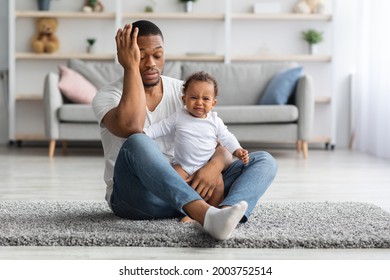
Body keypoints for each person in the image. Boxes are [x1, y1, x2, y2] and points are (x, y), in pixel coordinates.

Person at [92, 20, 277, 240]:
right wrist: (130, 67)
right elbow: (132, 126)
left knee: (264, 161)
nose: (151, 63)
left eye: (157, 55)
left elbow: (218, 142)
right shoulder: (108, 96)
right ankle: (205, 213)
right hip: (140, 197)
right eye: (141, 56)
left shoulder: (185, 92)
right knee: (138, 141)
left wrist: (214, 167)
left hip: (190, 185)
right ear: (126, 55)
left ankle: (224, 214)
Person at [144, 71, 249, 219]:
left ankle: (213, 213)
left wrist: (238, 150)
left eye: (205, 99)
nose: (199, 102)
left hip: (206, 165)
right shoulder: (179, 116)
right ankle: (189, 213)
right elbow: (160, 127)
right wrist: (143, 134)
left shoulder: (214, 121)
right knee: (173, 179)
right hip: (183, 166)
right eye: (193, 97)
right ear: (184, 99)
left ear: (213, 103)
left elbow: (227, 137)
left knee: (218, 185)